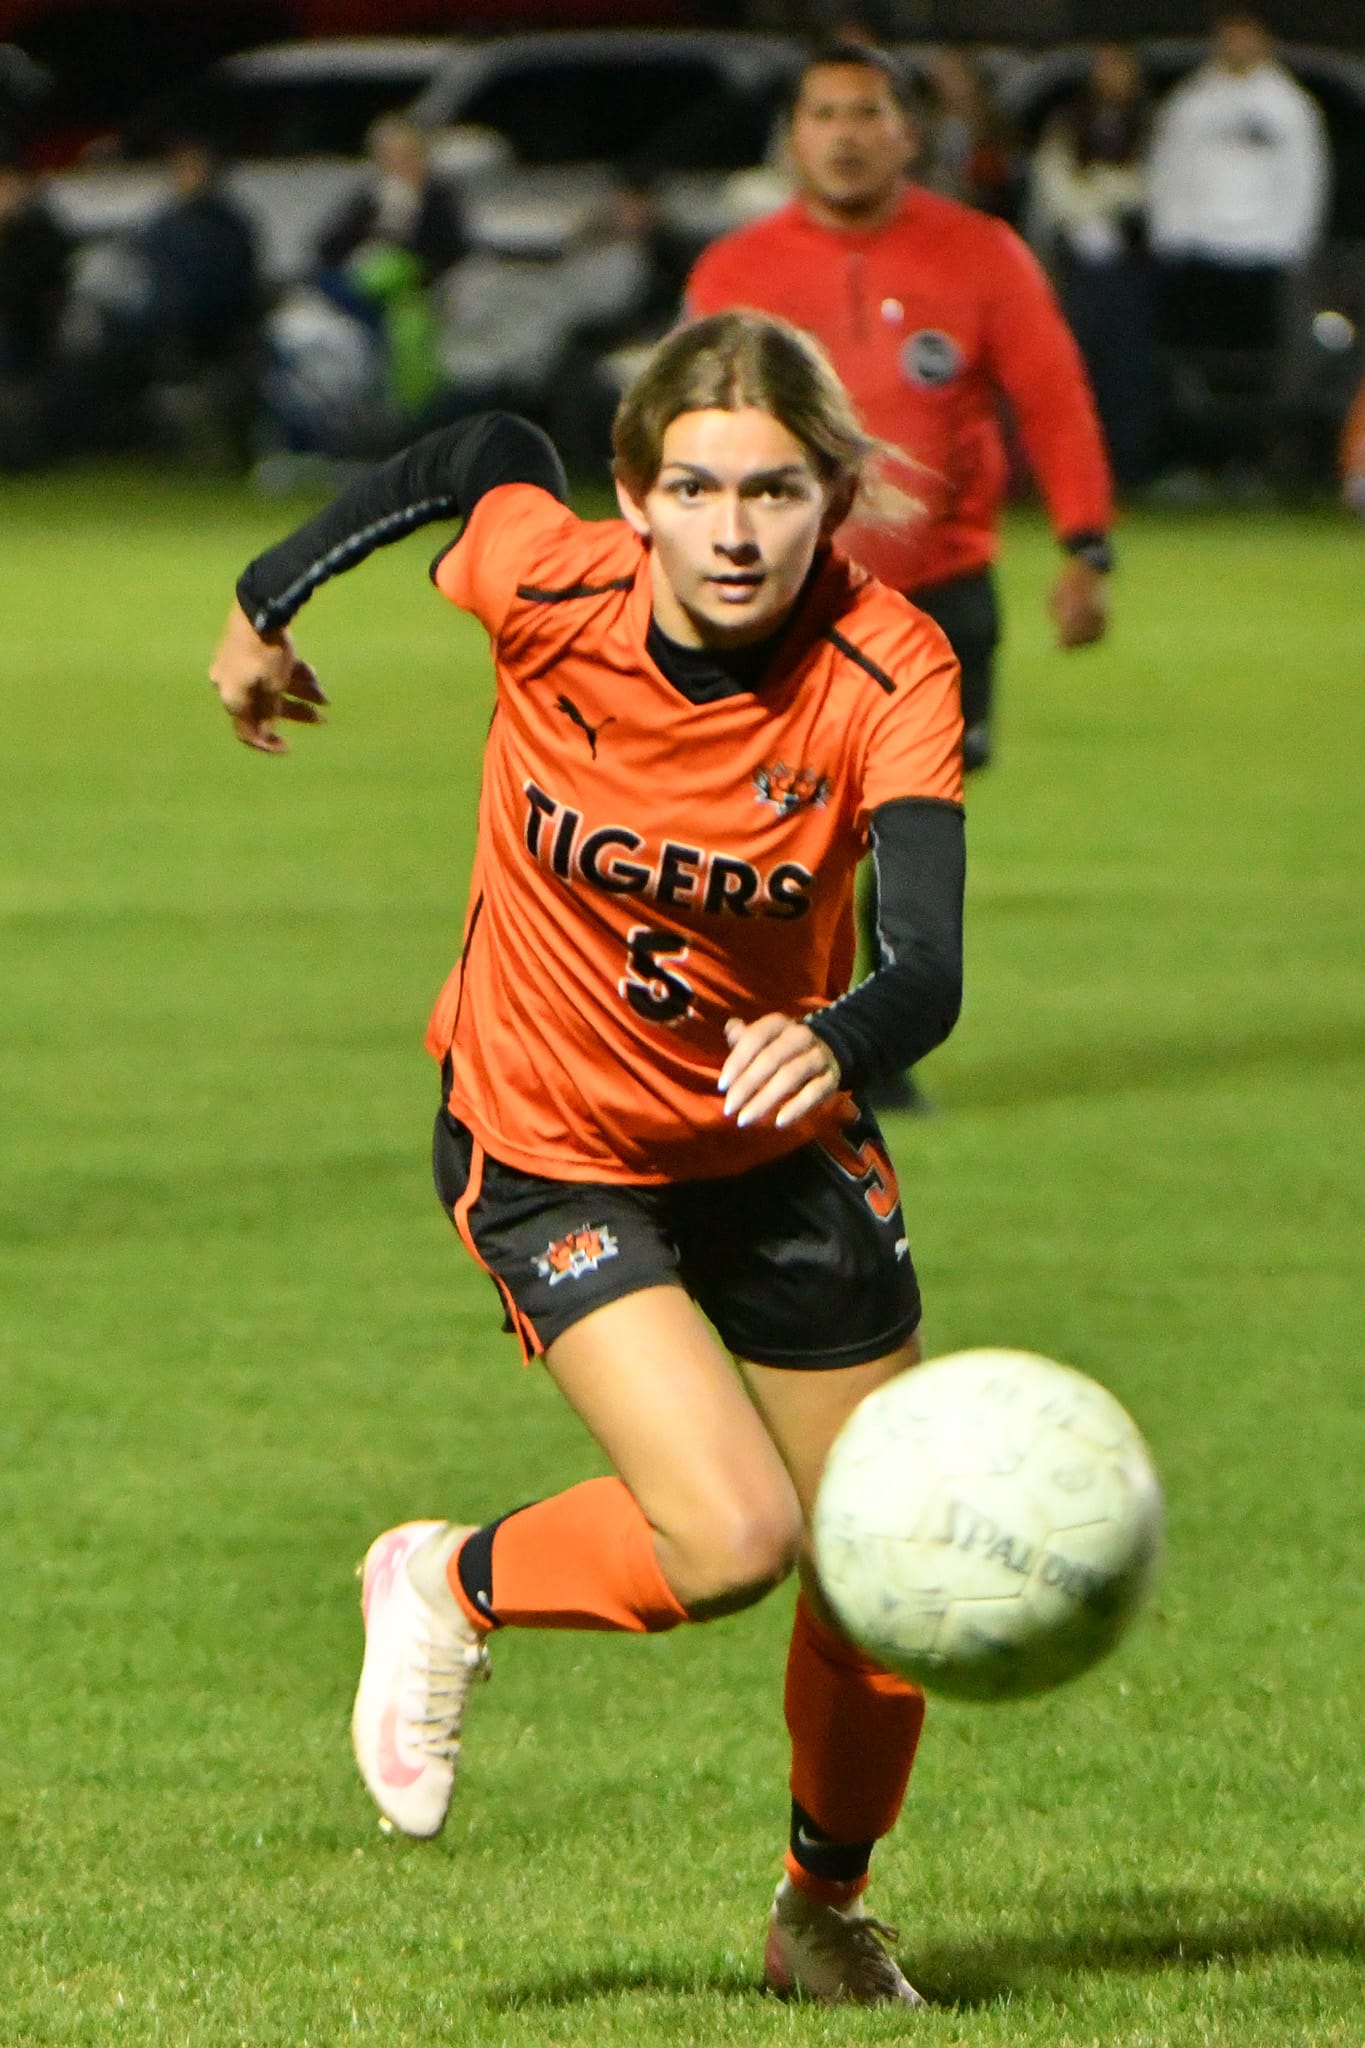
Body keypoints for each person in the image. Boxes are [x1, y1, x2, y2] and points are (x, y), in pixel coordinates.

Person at [208, 309, 966, 2007]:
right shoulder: (552, 583)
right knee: (730, 1539)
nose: (736, 528)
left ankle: (821, 1911)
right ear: (636, 498)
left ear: (836, 495)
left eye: (775, 488)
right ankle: (445, 1577)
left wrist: (833, 1036)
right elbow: (476, 456)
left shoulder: (889, 665)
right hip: (549, 1140)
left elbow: (926, 962)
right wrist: (266, 603)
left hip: (772, 1148)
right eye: (695, 486)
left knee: (879, 1557)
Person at [685, 40, 1112, 1103]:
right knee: (786, 817)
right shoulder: (737, 271)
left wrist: (1084, 543)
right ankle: (780, 1036)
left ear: (908, 135)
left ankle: (864, 1038)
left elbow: (1053, 396)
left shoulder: (980, 256)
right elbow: (683, 430)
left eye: (868, 113)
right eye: (825, 113)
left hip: (937, 596)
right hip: (775, 595)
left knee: (904, 822)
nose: (846, 133)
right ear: (793, 136)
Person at [1146, 12, 1330, 475]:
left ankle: (1251, 462)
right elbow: (1168, 174)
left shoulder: (1290, 107)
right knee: (1197, 368)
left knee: (1258, 372)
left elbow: (1307, 181)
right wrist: (1171, 240)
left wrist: (1291, 246)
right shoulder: (1192, 103)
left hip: (1264, 257)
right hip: (1202, 254)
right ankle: (1199, 462)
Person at [1027, 44, 1160, 490]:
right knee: (1073, 373)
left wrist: (1103, 192)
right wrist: (1100, 198)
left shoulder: (1150, 125)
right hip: (1076, 269)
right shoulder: (1068, 125)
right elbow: (1055, 191)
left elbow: (1149, 189)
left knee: (1126, 373)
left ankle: (1129, 470)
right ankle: (1071, 474)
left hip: (1129, 270)